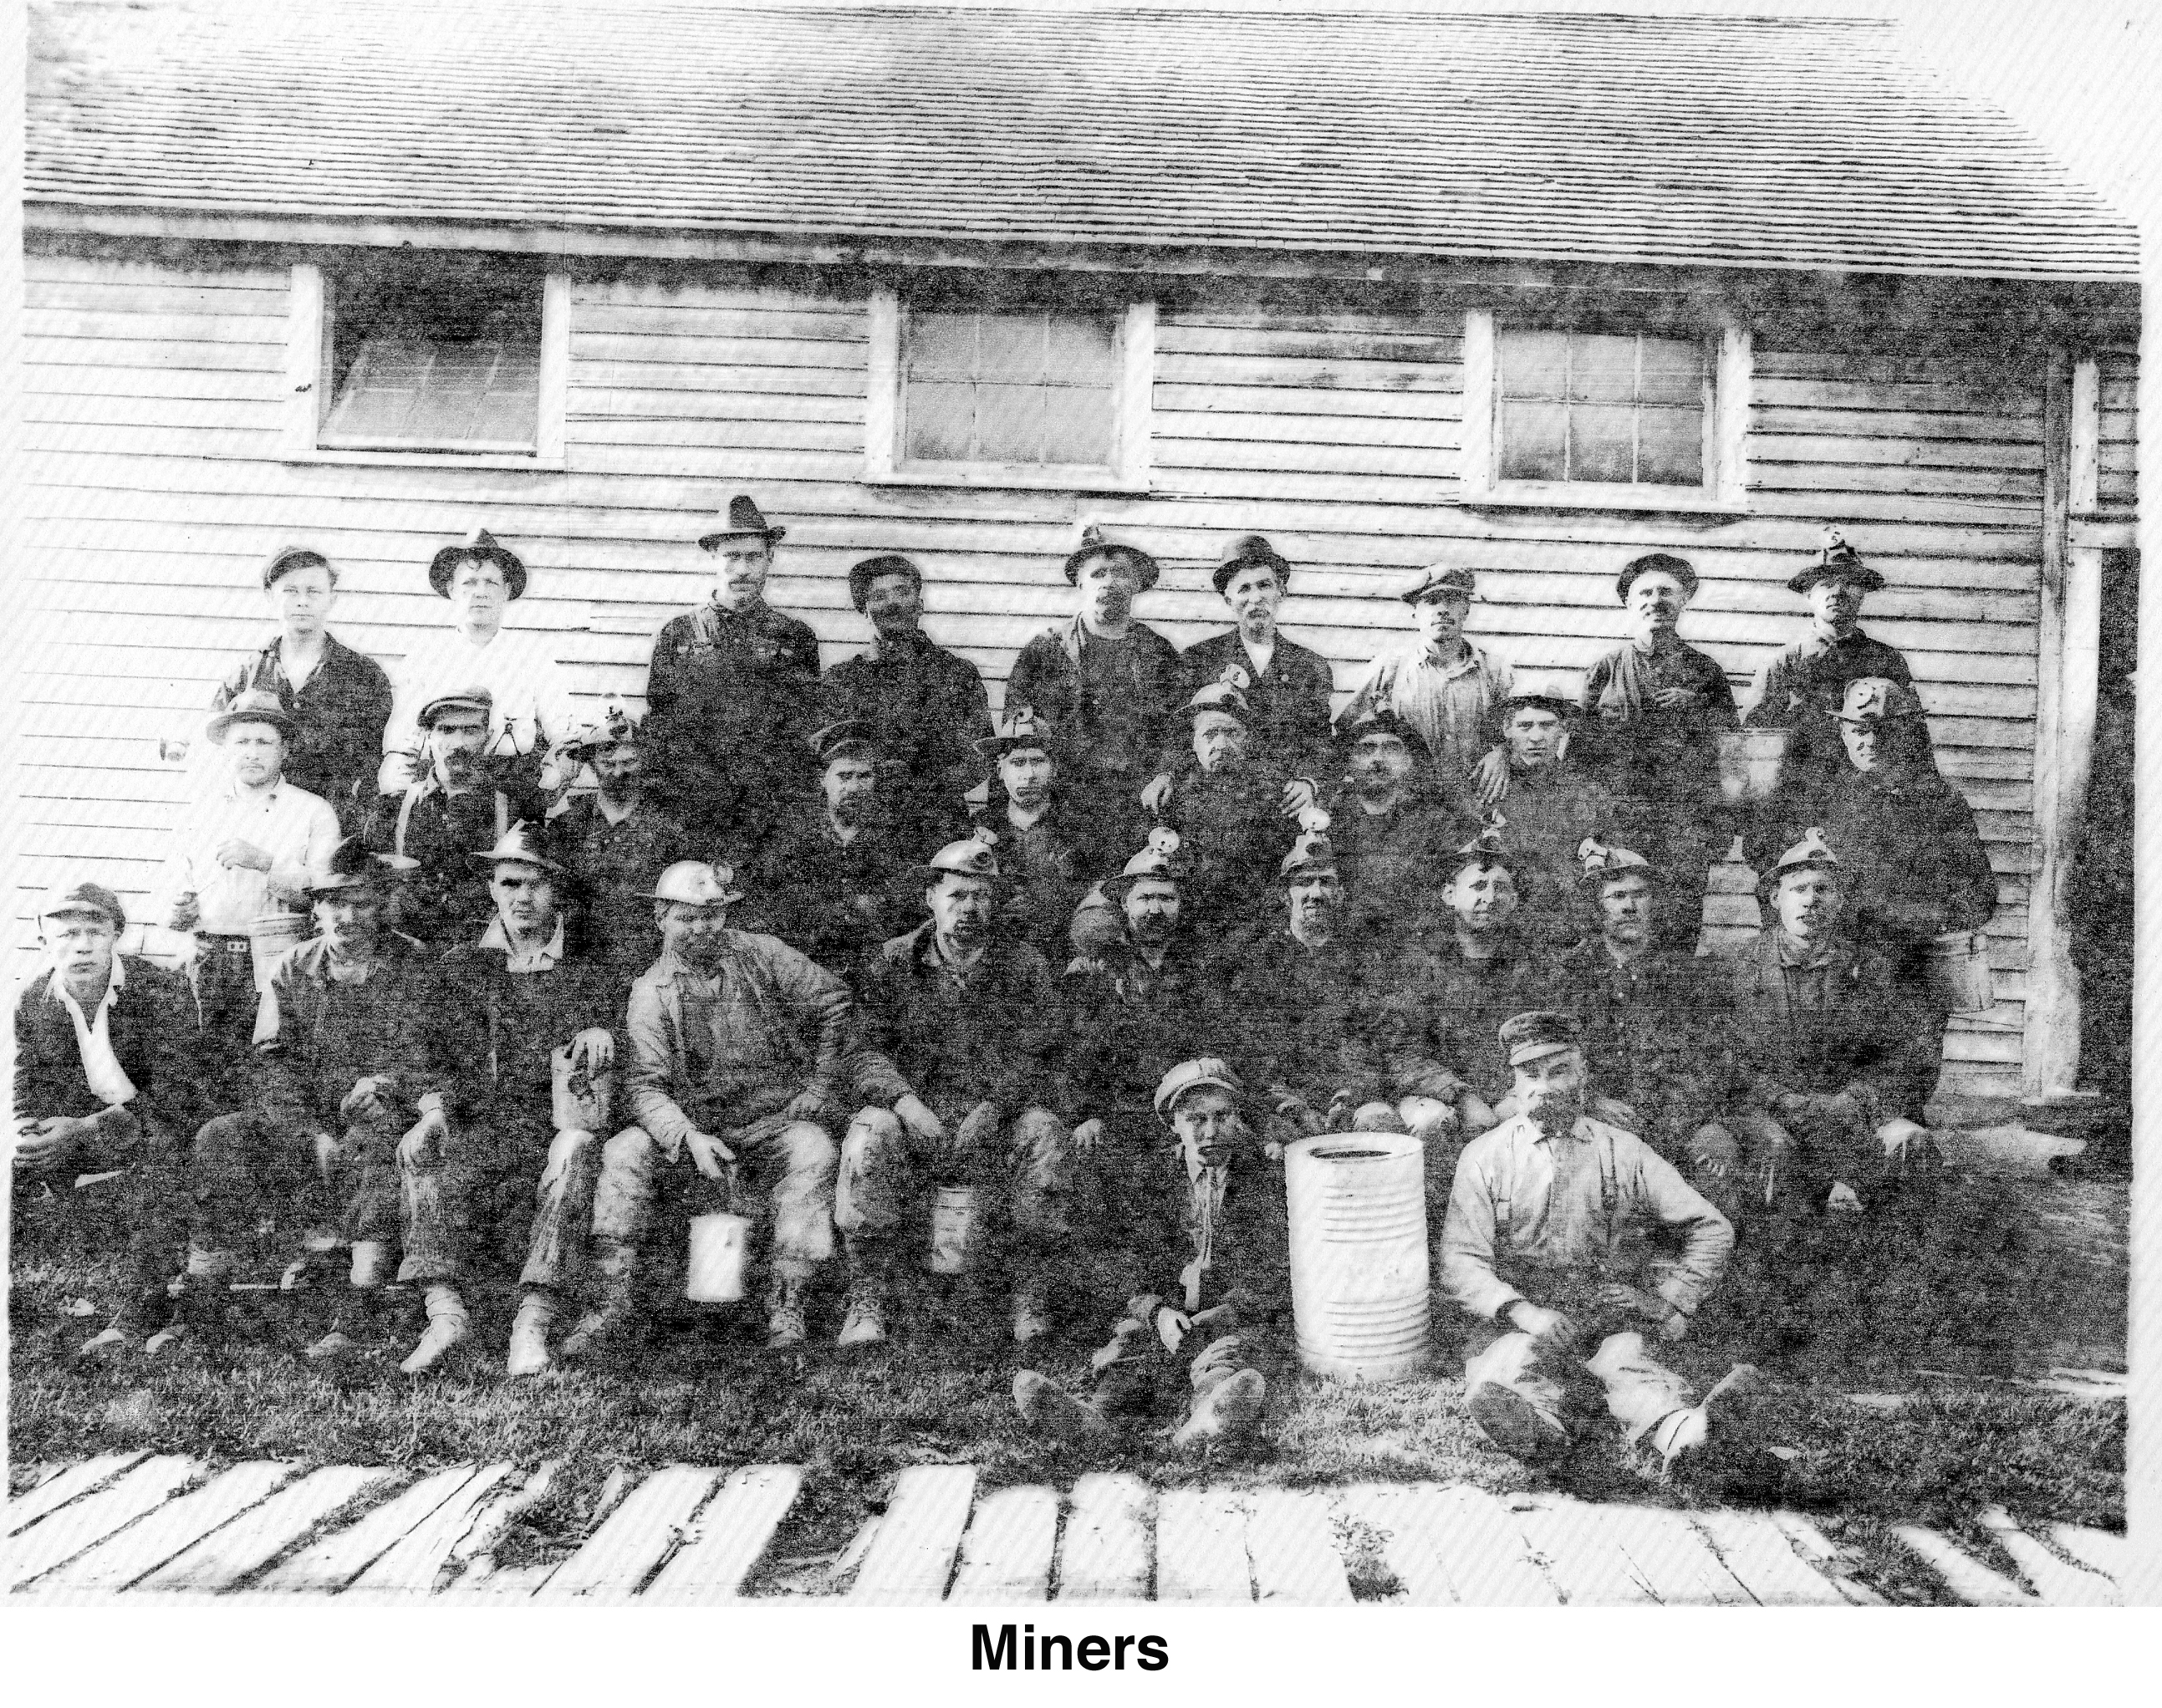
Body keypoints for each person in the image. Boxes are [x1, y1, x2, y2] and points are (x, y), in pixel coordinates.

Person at [1440, 1012, 1769, 1496]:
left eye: (1559, 1072)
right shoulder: (1485, 1157)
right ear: (1513, 1081)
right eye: (1532, 1075)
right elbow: (1461, 1260)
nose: (1545, 1088)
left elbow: (1711, 1226)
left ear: (1583, 1076)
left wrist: (1671, 1301)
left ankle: (1687, 1434)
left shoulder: (1623, 1150)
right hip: (1524, 1310)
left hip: (1609, 1305)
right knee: (1512, 1361)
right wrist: (1522, 1311)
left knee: (1627, 1360)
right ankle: (1539, 1431)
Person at [583, 861, 901, 1353]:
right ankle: (611, 1301)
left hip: (774, 1120)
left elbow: (836, 1001)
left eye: (711, 917)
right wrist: (687, 1136)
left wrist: (820, 1083)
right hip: (699, 1130)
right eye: (685, 918)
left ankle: (788, 1299)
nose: (700, 929)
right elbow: (646, 1086)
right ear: (661, 920)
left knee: (813, 1149)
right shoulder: (651, 992)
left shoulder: (762, 955)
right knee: (625, 1151)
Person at [391, 823, 629, 1376]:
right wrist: (431, 1111)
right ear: (493, 888)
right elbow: (422, 1049)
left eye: (536, 885)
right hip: (480, 1122)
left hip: (554, 1126)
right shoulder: (460, 967)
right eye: (510, 882)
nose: (522, 898)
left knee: (575, 1148)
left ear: (559, 891)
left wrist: (603, 1030)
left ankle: (533, 1322)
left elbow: (626, 1039)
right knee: (418, 1147)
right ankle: (445, 1315)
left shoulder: (592, 970)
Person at [183, 839, 432, 1360]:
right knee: (220, 1136)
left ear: (382, 905)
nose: (347, 915)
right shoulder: (292, 968)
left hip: (385, 1116)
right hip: (307, 1120)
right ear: (316, 908)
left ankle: (355, 1314)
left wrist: (386, 1084)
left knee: (375, 1144)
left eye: (361, 901)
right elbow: (271, 1062)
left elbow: (433, 1053)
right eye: (334, 902)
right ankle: (203, 1303)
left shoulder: (414, 966)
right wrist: (311, 1131)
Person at [853, 833, 1080, 1344]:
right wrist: (906, 1105)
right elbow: (864, 1048)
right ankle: (867, 1295)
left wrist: (996, 1106)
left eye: (981, 896)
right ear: (931, 898)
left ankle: (1030, 1292)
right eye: (957, 895)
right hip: (917, 1113)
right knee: (869, 1133)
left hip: (993, 1115)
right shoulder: (893, 962)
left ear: (996, 903)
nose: (969, 909)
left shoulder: (1024, 966)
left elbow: (1041, 1049)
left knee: (1043, 1134)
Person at [1013, 1059, 1287, 1452]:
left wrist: (1228, 1311)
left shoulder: (1263, 1179)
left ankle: (1211, 1418)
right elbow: (1127, 1261)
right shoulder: (1150, 1181)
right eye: (1196, 1119)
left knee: (1226, 1357)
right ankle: (1094, 1423)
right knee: (1129, 1352)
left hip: (1228, 1315)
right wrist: (1157, 1311)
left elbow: (1271, 1268)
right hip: (1169, 1317)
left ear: (1238, 1119)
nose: (1210, 1132)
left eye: (1222, 1116)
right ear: (1174, 1124)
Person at [1752, 677, 1997, 1064]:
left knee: (1903, 1083)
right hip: (1832, 969)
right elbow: (1768, 867)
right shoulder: (1818, 798)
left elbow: (1980, 895)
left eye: (1886, 731)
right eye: (1859, 730)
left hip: (1909, 965)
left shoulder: (1939, 803)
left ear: (1906, 733)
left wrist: (1911, 920)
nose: (1871, 742)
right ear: (1844, 732)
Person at [12, 882, 200, 1358]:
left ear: (117, 933)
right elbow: (23, 1085)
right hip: (82, 1130)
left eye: (94, 931)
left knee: (158, 1164)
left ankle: (139, 1312)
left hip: (161, 1122)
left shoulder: (160, 986)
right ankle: (20, 1306)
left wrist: (88, 1128)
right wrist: (26, 1130)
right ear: (43, 940)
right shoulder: (33, 1001)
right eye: (66, 933)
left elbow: (179, 1091)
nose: (81, 945)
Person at [1721, 830, 1944, 1216]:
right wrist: (1779, 1100)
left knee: (1910, 1142)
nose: (1811, 900)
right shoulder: (1737, 966)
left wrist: (1855, 1101)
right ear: (1776, 899)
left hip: (1850, 1113)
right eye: (1799, 889)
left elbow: (1907, 1056)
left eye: (1822, 889)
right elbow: (1722, 1055)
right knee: (1775, 1155)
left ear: (1839, 901)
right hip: (1773, 1114)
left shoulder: (1872, 969)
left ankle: (1903, 1266)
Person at [156, 689, 342, 1097]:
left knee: (269, 1076)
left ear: (285, 749)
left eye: (264, 742)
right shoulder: (197, 810)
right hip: (207, 963)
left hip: (279, 964)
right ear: (225, 748)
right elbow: (173, 884)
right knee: (202, 1078)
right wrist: (176, 907)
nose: (252, 753)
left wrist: (267, 863)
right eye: (242, 742)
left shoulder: (313, 811)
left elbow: (329, 893)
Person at [1567, 553, 1738, 952]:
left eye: (1667, 591)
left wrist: (1699, 712)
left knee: (1678, 932)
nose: (1655, 600)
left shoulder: (1705, 672)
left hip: (1685, 826)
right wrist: (1590, 829)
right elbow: (1578, 758)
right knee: (1620, 930)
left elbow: (1730, 754)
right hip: (1620, 824)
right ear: (1629, 603)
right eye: (1644, 592)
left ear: (1685, 600)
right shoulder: (1606, 670)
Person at [1553, 839, 1738, 1202]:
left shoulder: (1688, 976)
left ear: (1654, 903)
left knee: (1718, 1164)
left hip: (1677, 1119)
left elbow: (1715, 1061)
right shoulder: (1568, 976)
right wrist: (1590, 1101)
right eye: (1616, 897)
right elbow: (1554, 1058)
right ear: (1596, 909)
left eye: (1639, 895)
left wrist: (1671, 1119)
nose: (1628, 907)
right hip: (1594, 1117)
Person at [1063, 829, 1215, 1265]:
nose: (1155, 909)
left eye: (1166, 898)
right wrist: (1085, 1114)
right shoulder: (1096, 972)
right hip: (1118, 1112)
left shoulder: (1203, 970)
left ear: (1181, 906)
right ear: (1125, 905)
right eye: (1145, 898)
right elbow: (1075, 1055)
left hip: (1186, 1111)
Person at [643, 496, 823, 859]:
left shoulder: (794, 637)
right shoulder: (678, 634)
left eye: (754, 557)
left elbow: (806, 726)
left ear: (770, 559)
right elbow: (659, 724)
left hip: (769, 811)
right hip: (693, 807)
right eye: (732, 557)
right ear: (715, 558)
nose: (742, 569)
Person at [1205, 831, 1389, 1155]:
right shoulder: (1258, 963)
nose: (1315, 893)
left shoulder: (1364, 962)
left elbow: (1378, 1044)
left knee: (1380, 1124)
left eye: (1326, 882)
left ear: (1342, 894)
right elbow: (1254, 1057)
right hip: (1280, 1104)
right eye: (1303, 882)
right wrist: (1293, 1107)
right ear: (1284, 895)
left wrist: (1346, 1098)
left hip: (1352, 1100)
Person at [1007, 523, 1182, 853]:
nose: (1110, 583)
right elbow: (1013, 741)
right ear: (1080, 582)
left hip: (1138, 804)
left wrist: (1166, 773)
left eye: (1121, 574)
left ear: (1137, 585)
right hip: (1062, 807)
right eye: (1098, 574)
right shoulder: (1045, 652)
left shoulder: (1160, 654)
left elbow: (1180, 730)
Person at [379, 528, 579, 800]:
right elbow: (401, 750)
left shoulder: (533, 657)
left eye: (490, 583)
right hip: (442, 793)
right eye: (469, 583)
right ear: (452, 590)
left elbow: (566, 743)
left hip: (512, 792)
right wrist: (404, 807)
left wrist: (544, 796)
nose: (480, 593)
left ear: (506, 591)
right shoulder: (423, 658)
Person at [205, 545, 393, 830]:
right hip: (258, 825)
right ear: (270, 596)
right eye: (290, 591)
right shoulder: (245, 676)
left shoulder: (364, 676)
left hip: (336, 827)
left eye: (314, 591)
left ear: (332, 599)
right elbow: (219, 758)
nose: (302, 601)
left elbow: (374, 767)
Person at [1143, 532, 1334, 807]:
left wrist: (1309, 782)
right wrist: (1167, 772)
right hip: (1216, 807)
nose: (1256, 598)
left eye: (1264, 585)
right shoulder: (1198, 660)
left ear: (1282, 592)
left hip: (1282, 807)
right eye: (1244, 589)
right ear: (1228, 599)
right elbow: (1175, 733)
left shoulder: (1310, 666)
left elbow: (1320, 740)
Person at [821, 552, 992, 854]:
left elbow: (979, 758)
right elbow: (826, 764)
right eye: (878, 596)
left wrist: (921, 787)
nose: (892, 603)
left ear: (920, 602)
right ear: (864, 609)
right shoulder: (841, 679)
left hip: (938, 825)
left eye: (902, 592)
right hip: (863, 830)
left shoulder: (957, 673)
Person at [1741, 528, 1915, 799]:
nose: (1837, 591)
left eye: (1848, 582)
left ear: (1863, 593)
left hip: (1869, 801)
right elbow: (1756, 741)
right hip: (1801, 798)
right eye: (1825, 584)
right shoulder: (1783, 664)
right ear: (1809, 595)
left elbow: (1911, 738)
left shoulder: (1887, 661)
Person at [747, 720, 923, 984]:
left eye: (864, 776)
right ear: (823, 780)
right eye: (844, 776)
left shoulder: (898, 840)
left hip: (879, 975)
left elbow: (910, 909)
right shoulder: (793, 840)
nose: (854, 788)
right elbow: (776, 907)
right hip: (805, 972)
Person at [368, 687, 545, 950]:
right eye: (446, 730)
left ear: (488, 736)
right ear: (428, 736)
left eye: (471, 730)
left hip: (487, 955)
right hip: (411, 958)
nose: (458, 743)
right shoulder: (393, 808)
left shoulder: (516, 810)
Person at [548, 706, 695, 999]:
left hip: (653, 967)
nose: (618, 773)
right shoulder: (570, 825)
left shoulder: (669, 828)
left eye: (629, 762)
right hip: (581, 965)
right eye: (607, 763)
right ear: (591, 765)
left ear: (643, 762)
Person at [1339, 565, 1513, 799]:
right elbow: (1344, 730)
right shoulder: (1391, 669)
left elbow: (1518, 730)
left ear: (1467, 609)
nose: (1442, 610)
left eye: (1452, 600)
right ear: (1415, 613)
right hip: (1409, 808)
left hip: (1475, 803)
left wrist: (1502, 752)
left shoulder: (1494, 671)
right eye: (1431, 601)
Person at [1323, 706, 1479, 957]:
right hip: (1345, 950)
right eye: (1366, 749)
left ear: (1409, 762)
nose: (1378, 759)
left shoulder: (1436, 823)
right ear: (1349, 763)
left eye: (1391, 749)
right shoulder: (1329, 819)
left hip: (1415, 950)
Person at [1154, 683, 1303, 936]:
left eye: (1232, 733)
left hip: (1256, 924)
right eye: (1210, 734)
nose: (1221, 744)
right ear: (1193, 744)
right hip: (1188, 923)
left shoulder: (1274, 794)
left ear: (1247, 740)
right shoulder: (1170, 795)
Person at [1483, 674, 1619, 947]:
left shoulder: (1587, 792)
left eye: (1547, 725)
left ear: (1564, 729)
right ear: (1507, 730)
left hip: (1564, 929)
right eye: (1525, 726)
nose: (1536, 737)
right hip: (1500, 930)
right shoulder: (1488, 785)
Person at [969, 707, 1098, 961]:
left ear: (1054, 769)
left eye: (1038, 761)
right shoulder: (980, 829)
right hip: (998, 956)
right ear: (1000, 770)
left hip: (1066, 954)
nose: (1028, 775)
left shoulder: (1081, 830)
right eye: (1017, 763)